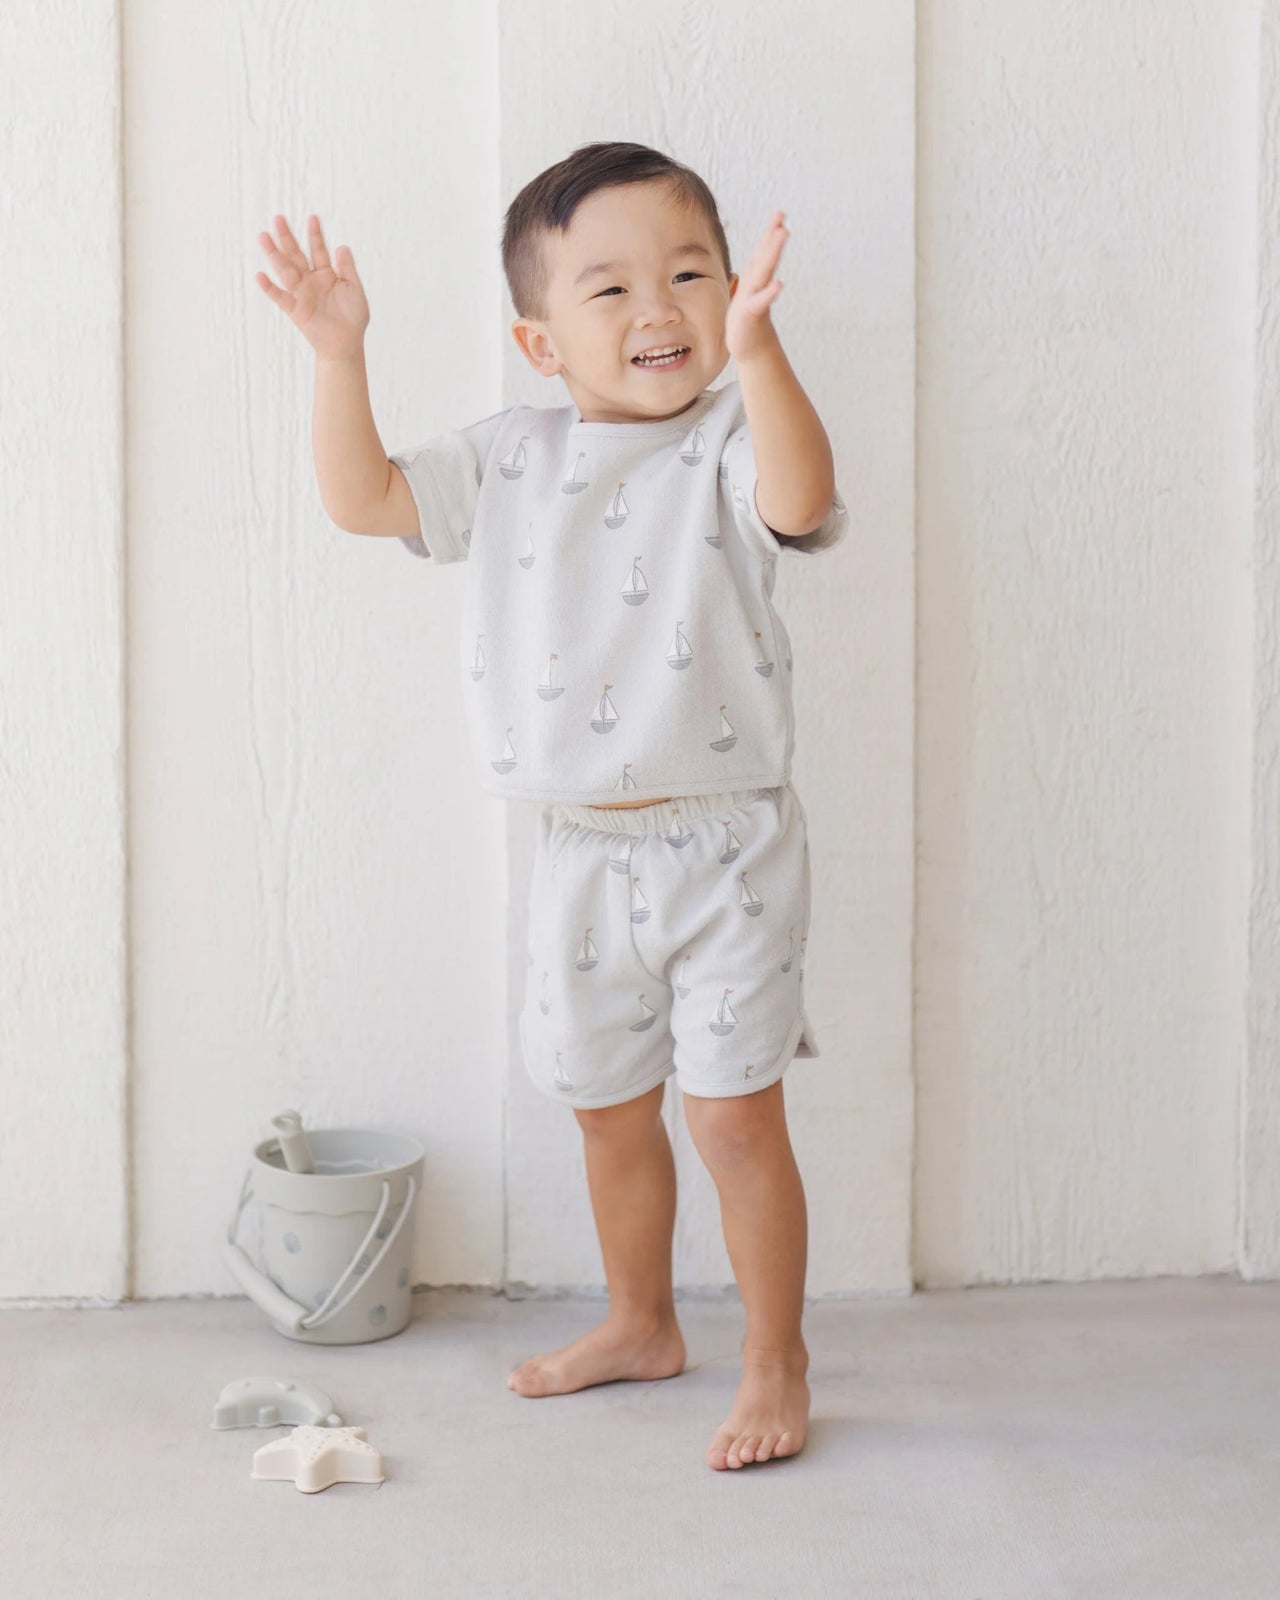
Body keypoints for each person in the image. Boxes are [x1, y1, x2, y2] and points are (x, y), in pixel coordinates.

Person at [254, 140, 847, 1471]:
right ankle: (642, 1322)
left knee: (733, 1116)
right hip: (580, 852)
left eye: (689, 274)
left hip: (729, 846)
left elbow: (801, 500)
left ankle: (776, 1356)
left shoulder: (731, 440)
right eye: (611, 288)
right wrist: (339, 356)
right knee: (606, 1108)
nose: (659, 309)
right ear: (539, 342)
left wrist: (761, 356)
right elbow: (363, 500)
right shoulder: (510, 458)